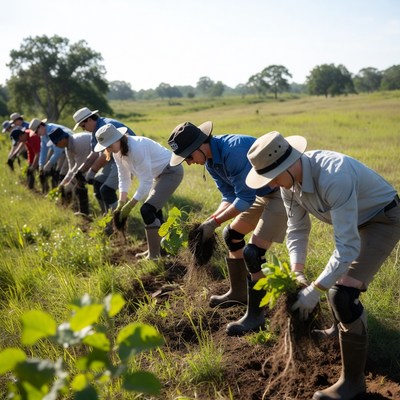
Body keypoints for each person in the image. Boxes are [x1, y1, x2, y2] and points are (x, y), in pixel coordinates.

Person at [245, 131, 400, 400]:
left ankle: (352, 384)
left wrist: (315, 289)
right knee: (333, 284)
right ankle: (338, 331)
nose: (271, 185)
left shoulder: (333, 176)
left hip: (383, 218)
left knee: (342, 293)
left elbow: (347, 248)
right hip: (356, 217)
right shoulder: (288, 184)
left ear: (288, 164)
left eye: (272, 177)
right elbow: (297, 229)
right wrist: (298, 274)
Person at [168, 121, 287, 336]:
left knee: (253, 253)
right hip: (260, 194)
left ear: (200, 146)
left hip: (282, 193)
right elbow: (229, 196)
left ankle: (257, 315)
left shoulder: (234, 151)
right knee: (231, 235)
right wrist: (211, 219)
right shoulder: (211, 162)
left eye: (188, 157)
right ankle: (239, 292)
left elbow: (245, 198)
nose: (188, 163)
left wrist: (213, 223)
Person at [94, 123, 184, 259]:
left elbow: (146, 181)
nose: (108, 149)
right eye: (106, 147)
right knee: (154, 210)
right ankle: (158, 250)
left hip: (171, 172)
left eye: (109, 145)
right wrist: (121, 202)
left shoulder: (136, 148)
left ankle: (153, 257)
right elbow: (123, 177)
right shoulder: (117, 152)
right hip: (158, 175)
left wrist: (130, 205)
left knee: (147, 210)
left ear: (118, 138)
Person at [72, 107, 136, 215]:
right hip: (116, 158)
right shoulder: (96, 131)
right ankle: (106, 215)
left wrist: (92, 171)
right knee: (98, 184)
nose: (83, 129)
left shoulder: (105, 127)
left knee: (107, 190)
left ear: (89, 120)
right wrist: (80, 170)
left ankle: (119, 218)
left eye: (83, 126)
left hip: (127, 157)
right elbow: (95, 153)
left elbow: (105, 155)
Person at [48, 128, 92, 215]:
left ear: (63, 139)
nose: (56, 146)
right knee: (76, 181)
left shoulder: (79, 143)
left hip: (103, 157)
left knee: (81, 180)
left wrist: (69, 184)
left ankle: (85, 212)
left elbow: (80, 167)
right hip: (87, 162)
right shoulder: (67, 147)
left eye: (56, 143)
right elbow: (72, 167)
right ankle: (82, 211)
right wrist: (63, 183)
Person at [29, 118, 69, 193]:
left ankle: (65, 193)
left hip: (70, 149)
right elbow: (43, 150)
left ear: (41, 126)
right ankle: (56, 192)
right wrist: (41, 165)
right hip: (63, 151)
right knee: (56, 172)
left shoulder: (53, 130)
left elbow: (58, 151)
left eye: (36, 132)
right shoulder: (43, 136)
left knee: (62, 173)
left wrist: (49, 164)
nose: (37, 134)